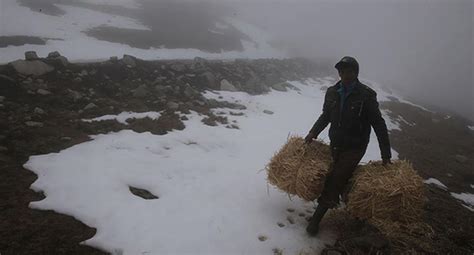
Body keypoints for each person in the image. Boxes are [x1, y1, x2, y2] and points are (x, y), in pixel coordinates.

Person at [304, 56, 392, 236]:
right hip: (336, 144)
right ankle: (358, 211)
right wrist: (313, 133)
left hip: (355, 147)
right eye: (341, 70)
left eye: (348, 70)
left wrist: (386, 155)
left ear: (356, 73)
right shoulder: (332, 92)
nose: (344, 74)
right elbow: (325, 116)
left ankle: (316, 219)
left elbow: (378, 123)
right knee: (337, 177)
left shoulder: (366, 95)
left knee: (336, 178)